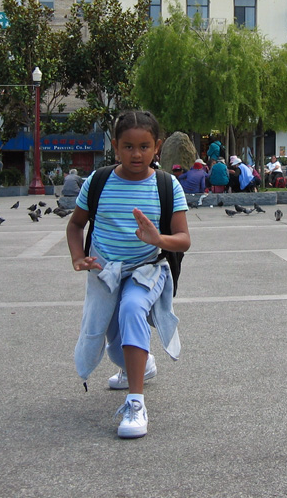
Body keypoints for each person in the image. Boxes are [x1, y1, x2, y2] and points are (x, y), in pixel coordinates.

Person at [66, 109, 190, 439]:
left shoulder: (167, 185)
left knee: (132, 309)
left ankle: (136, 404)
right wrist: (78, 257)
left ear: (157, 146)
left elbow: (183, 239)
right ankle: (137, 365)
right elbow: (76, 224)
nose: (137, 154)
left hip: (147, 271)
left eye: (145, 146)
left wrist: (158, 239)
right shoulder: (98, 181)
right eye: (129, 147)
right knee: (111, 337)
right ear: (115, 146)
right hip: (106, 272)